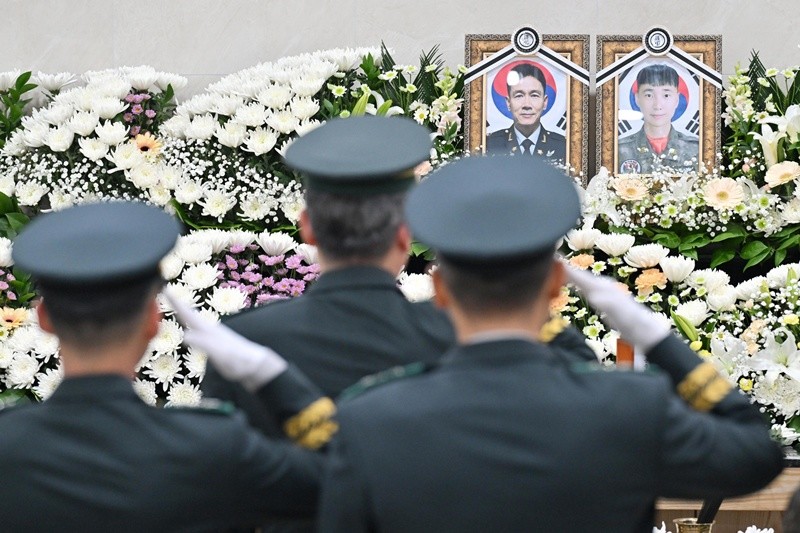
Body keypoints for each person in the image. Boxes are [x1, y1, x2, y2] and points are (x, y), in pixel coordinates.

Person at [316, 155, 784, 532]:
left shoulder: (369, 416)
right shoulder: (630, 405)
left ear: (439, 292)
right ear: (556, 287)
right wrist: (657, 337)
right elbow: (754, 456)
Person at [202, 116, 593, 438]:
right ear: (407, 231)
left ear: (308, 229)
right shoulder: (458, 332)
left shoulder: (244, 342)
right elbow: (581, 374)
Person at [0, 201, 331, 532]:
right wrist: (272, 376)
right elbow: (339, 475)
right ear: (153, 320)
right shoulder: (215, 446)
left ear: (43, 319)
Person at [618, 63, 700, 174]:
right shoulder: (619, 150)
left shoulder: (696, 149)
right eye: (649, 95)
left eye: (666, 95)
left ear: (677, 99)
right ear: (637, 98)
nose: (657, 106)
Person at [485, 63, 566, 162]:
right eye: (519, 96)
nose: (527, 104)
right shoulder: (490, 145)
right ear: (508, 102)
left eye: (534, 95)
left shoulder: (564, 146)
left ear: (544, 102)